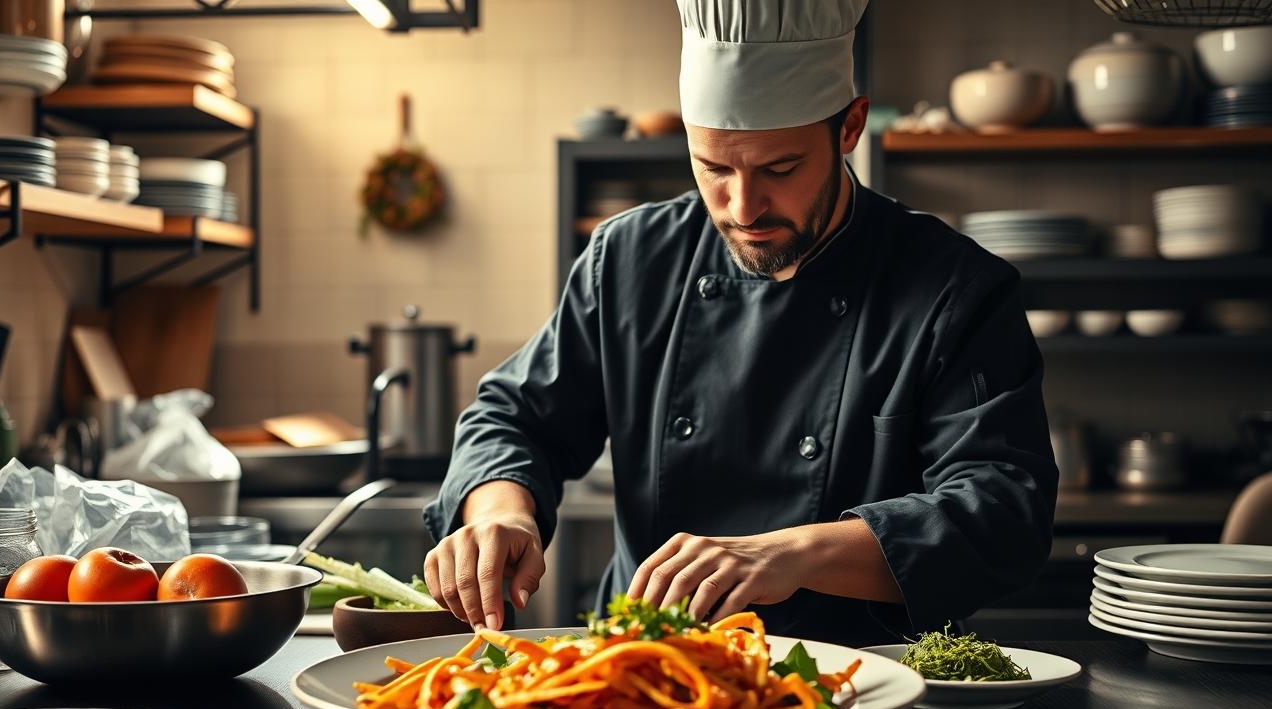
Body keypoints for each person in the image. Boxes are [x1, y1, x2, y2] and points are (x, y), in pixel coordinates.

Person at [422, 0, 1058, 646]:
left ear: (850, 128)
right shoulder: (629, 261)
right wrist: (502, 512)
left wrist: (790, 555)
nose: (744, 206)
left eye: (780, 169)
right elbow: (513, 415)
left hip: (864, 698)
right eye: (714, 168)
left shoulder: (954, 289)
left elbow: (1003, 509)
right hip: (637, 683)